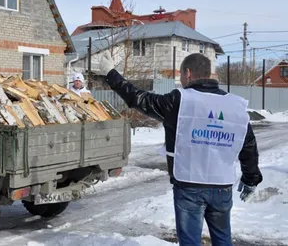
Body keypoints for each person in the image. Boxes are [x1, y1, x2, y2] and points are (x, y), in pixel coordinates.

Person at [98, 51, 263, 246]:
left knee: (190, 242)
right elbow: (249, 145)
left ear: (188, 73)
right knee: (222, 240)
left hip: (189, 184)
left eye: (181, 75)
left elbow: (139, 99)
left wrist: (111, 73)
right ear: (208, 74)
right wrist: (251, 178)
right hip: (222, 186)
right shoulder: (235, 105)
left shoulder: (180, 100)